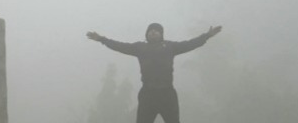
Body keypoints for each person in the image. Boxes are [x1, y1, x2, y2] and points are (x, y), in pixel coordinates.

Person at [86, 23, 222, 123]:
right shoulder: (140, 47)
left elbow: (190, 44)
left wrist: (207, 36)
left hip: (167, 93)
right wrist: (102, 39)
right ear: (146, 34)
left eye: (156, 31)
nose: (153, 32)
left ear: (161, 34)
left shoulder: (170, 46)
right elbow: (120, 46)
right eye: (150, 31)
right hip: (147, 94)